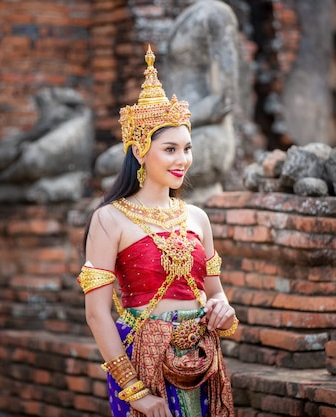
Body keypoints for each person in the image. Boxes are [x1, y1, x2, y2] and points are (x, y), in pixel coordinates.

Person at [78, 45, 238, 417]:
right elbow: (97, 314)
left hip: (202, 360)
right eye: (169, 149)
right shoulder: (109, 219)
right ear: (139, 150)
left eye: (187, 148)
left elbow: (215, 294)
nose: (182, 160)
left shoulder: (197, 217)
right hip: (142, 365)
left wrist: (224, 311)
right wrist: (136, 394)